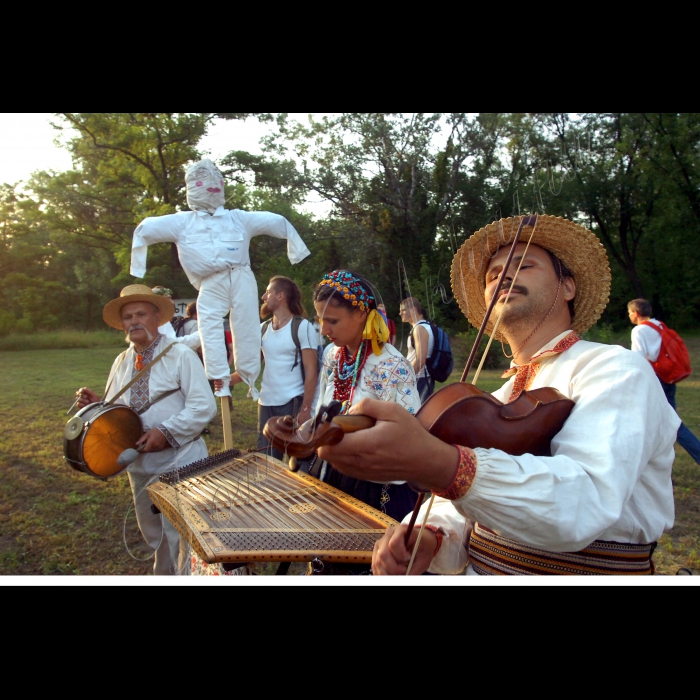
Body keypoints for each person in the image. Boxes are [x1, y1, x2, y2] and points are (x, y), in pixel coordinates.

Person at [316, 215, 679, 576]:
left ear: (567, 287)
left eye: (524, 264)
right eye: (493, 274)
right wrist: (433, 536)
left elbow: (585, 501)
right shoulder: (500, 396)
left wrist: (442, 464)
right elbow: (472, 512)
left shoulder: (615, 368)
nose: (504, 275)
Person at [130, 159, 311, 400]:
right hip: (210, 281)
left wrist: (296, 251)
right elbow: (144, 229)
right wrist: (137, 267)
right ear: (192, 188)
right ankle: (219, 377)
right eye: (203, 183)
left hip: (241, 275)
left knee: (246, 323)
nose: (211, 188)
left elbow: (275, 221)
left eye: (217, 182)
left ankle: (247, 374)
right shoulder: (182, 222)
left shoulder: (238, 219)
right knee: (209, 325)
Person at [74, 284, 217, 575]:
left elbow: (204, 406)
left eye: (141, 314)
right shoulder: (122, 361)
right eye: (128, 317)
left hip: (181, 460)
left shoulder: (180, 355)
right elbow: (120, 412)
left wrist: (165, 432)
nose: (134, 321)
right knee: (156, 535)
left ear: (158, 318)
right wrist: (98, 406)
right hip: (139, 465)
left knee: (183, 536)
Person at [307, 269, 422, 574]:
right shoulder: (333, 355)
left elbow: (411, 442)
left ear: (360, 314)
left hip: (379, 486)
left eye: (331, 321)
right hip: (335, 475)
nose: (323, 329)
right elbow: (324, 406)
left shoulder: (392, 366)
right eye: (320, 319)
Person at [218, 276, 319, 462]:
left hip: (292, 402)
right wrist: (227, 379)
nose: (264, 297)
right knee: (266, 459)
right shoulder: (263, 328)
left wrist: (306, 408)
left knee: (297, 460)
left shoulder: (302, 327)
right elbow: (251, 366)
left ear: (280, 296)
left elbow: (312, 370)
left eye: (268, 292)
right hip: (266, 403)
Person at [628, 298, 700, 464]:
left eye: (630, 313)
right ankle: (655, 464)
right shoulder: (659, 325)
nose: (630, 316)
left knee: (672, 425)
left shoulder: (639, 331)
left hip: (655, 380)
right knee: (663, 423)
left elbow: (638, 359)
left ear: (636, 313)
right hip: (667, 377)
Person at [399, 296, 435, 402]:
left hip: (420, 379)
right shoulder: (424, 326)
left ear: (413, 310)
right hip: (419, 378)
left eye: (403, 310)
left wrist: (406, 379)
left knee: (417, 415)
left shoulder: (420, 329)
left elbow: (420, 360)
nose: (400, 313)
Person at [150, 286, 201, 352]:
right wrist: (202, 334)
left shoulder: (158, 319)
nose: (172, 302)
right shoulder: (158, 321)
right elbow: (171, 345)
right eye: (167, 298)